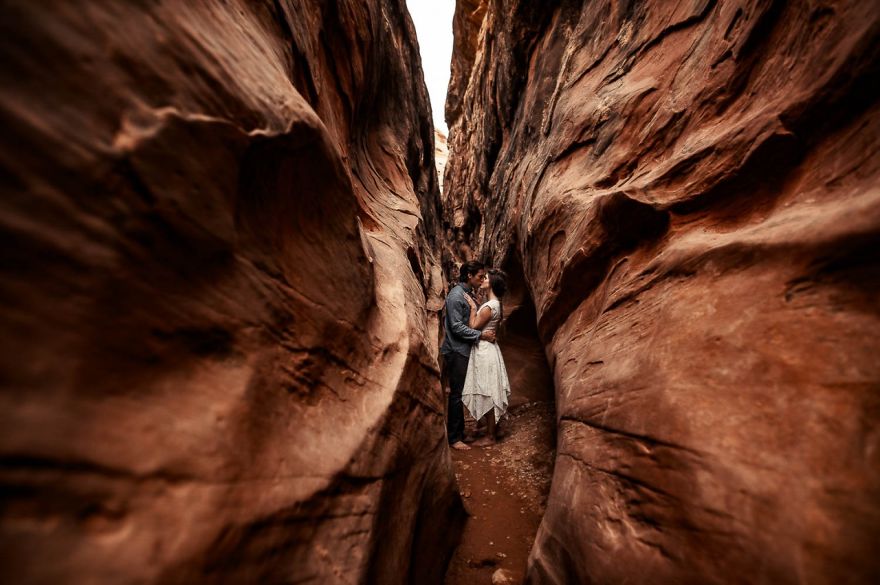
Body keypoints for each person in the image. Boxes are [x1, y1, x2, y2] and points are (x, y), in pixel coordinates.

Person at [441, 260, 496, 451]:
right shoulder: (457, 296)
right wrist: (480, 335)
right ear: (469, 276)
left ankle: (460, 432)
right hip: (457, 350)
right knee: (456, 394)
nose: (482, 280)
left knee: (460, 393)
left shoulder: (466, 293)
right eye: (480, 276)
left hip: (462, 350)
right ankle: (454, 438)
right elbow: (456, 327)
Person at [462, 269, 510, 446]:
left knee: (487, 391)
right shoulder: (494, 303)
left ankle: (490, 436)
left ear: (493, 283)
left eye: (486, 278)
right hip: (488, 349)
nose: (483, 279)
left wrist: (473, 308)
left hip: (484, 351)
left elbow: (474, 325)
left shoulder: (491, 306)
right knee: (488, 389)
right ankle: (489, 428)